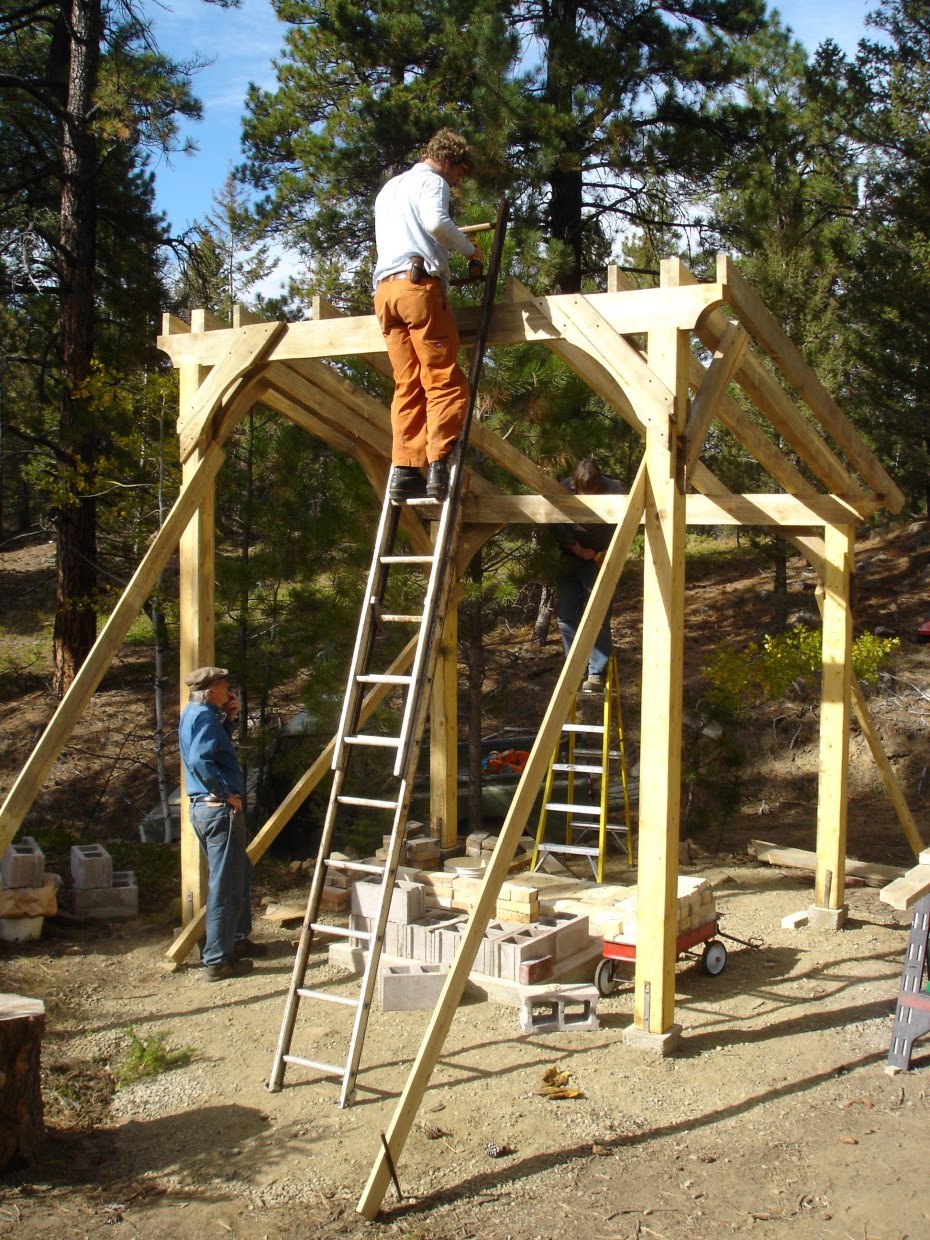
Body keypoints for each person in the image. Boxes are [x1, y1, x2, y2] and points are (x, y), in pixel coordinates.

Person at [373, 129, 484, 504]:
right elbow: (437, 224)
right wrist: (470, 251)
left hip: (385, 294)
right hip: (418, 287)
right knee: (443, 379)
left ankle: (404, 472)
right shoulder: (432, 182)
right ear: (449, 161)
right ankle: (438, 467)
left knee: (407, 382)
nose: (457, 182)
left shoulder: (390, 189)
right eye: (460, 174)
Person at [178, 666, 265, 981]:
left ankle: (237, 939)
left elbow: (213, 750)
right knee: (225, 885)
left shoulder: (198, 715)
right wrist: (225, 794)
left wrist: (229, 720)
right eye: (225, 685)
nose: (229, 690)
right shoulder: (202, 717)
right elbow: (202, 760)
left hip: (208, 809)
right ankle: (217, 959)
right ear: (211, 689)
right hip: (217, 810)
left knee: (240, 872)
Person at [553, 459, 626, 693]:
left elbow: (626, 525)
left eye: (591, 492)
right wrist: (577, 549)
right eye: (582, 492)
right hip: (569, 556)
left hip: (600, 559)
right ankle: (575, 669)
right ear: (575, 484)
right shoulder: (565, 488)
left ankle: (595, 673)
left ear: (599, 484)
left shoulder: (615, 491)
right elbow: (555, 524)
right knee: (566, 616)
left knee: (599, 615)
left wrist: (609, 552)